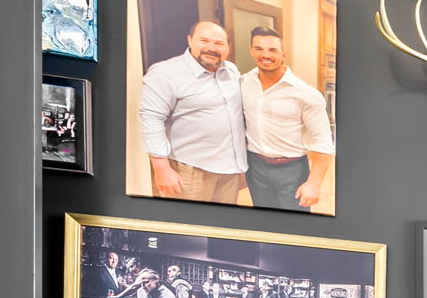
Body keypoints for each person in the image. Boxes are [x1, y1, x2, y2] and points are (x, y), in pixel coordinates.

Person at [139, 20, 247, 206]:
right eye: (204, 40)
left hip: (229, 169)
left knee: (222, 226)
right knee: (188, 229)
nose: (211, 48)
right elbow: (151, 118)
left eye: (219, 43)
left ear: (228, 47)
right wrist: (161, 168)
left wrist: (241, 165)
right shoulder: (165, 73)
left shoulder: (232, 71)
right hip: (188, 170)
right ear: (190, 40)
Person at [240, 26, 335, 213]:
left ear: (284, 54)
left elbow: (323, 141)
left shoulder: (306, 94)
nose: (265, 54)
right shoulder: (242, 83)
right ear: (251, 51)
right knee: (263, 221)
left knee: (295, 227)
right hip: (254, 166)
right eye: (259, 48)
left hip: (291, 170)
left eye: (272, 50)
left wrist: (314, 184)